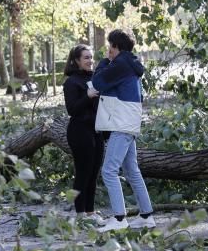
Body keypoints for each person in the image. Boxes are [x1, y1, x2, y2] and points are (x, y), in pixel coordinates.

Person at [90, 29, 155, 232]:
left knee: (109, 170)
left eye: (111, 46)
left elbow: (97, 82)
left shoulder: (120, 65)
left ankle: (119, 219)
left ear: (117, 47)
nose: (108, 50)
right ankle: (146, 215)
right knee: (131, 170)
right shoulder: (130, 65)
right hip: (129, 123)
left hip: (121, 124)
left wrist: (103, 63)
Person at [63, 44, 105, 222]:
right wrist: (87, 96)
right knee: (83, 173)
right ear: (76, 61)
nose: (90, 60)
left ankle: (90, 212)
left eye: (91, 57)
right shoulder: (71, 82)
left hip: (96, 131)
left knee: (94, 171)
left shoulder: (94, 78)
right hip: (79, 131)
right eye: (86, 57)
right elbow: (72, 109)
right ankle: (79, 213)